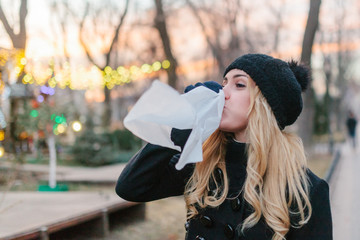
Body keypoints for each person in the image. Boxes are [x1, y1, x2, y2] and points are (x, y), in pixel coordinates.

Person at [116, 54, 333, 240]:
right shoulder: (203, 164)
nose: (223, 93)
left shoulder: (306, 189)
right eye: (224, 83)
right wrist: (184, 125)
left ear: (267, 104)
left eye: (239, 85)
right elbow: (130, 187)